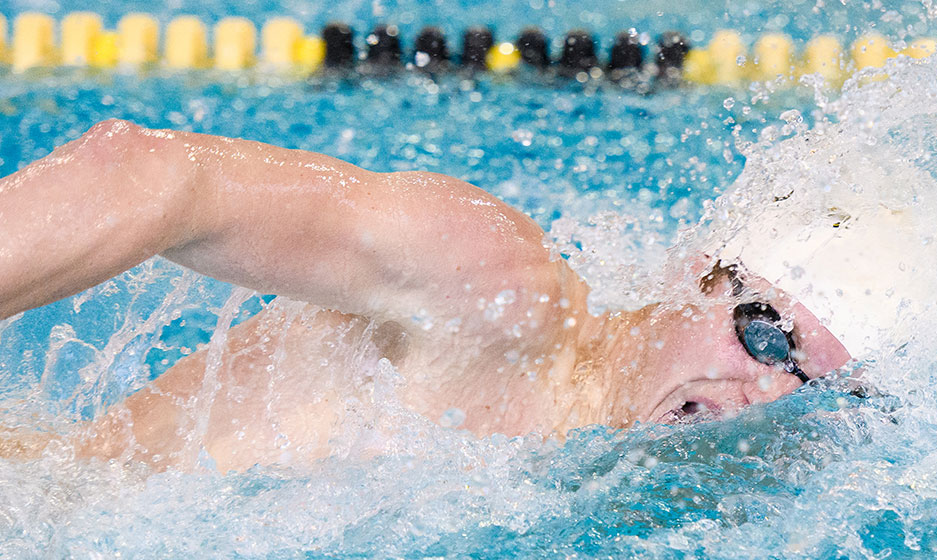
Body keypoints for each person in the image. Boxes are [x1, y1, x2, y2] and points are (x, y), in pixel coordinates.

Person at [0, 120, 863, 472]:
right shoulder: (497, 292)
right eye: (765, 337)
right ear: (693, 274)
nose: (767, 394)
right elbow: (150, 172)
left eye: (815, 383)